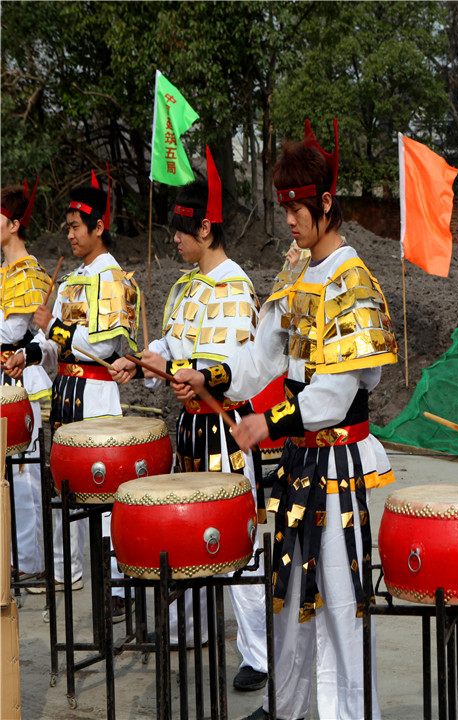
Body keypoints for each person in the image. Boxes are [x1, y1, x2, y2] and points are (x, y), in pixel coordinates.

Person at [175, 120, 399, 720]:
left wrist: (266, 423)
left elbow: (334, 394)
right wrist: (209, 375)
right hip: (300, 460)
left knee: (342, 608)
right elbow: (257, 357)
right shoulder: (296, 272)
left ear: (327, 203)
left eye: (300, 208)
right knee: (290, 600)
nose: (291, 221)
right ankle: (289, 709)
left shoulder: (354, 284)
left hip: (337, 465)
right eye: (285, 208)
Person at [109, 149, 269, 691]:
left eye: (182, 228)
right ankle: (189, 629)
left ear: (206, 226)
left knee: (235, 542)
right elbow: (172, 344)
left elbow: (227, 368)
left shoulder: (236, 287)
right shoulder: (182, 287)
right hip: (191, 429)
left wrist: (183, 370)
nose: (173, 238)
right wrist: (142, 360)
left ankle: (259, 652)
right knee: (187, 531)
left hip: (226, 427)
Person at [6, 178, 139, 621]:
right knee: (64, 491)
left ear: (99, 226)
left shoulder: (113, 277)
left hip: (98, 393)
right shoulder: (72, 279)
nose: (69, 233)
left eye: (77, 225)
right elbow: (52, 344)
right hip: (65, 393)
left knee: (103, 494)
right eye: (67, 225)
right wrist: (28, 354)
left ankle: (118, 586)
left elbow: (102, 346)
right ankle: (67, 573)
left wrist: (54, 329)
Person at [1, 180, 52, 583]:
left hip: (23, 378)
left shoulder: (29, 272)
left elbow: (12, 329)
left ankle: (32, 563)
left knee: (24, 475)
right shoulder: (3, 271)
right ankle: (14, 558)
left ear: (14, 224)